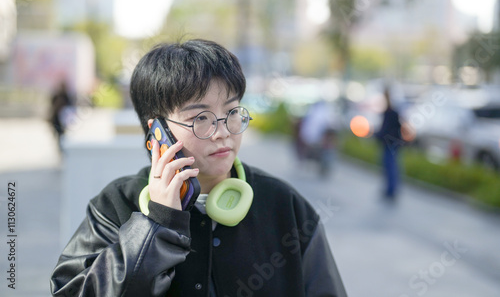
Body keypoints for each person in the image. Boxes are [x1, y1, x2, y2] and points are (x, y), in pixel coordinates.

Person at [50, 39, 347, 296]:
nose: (223, 131)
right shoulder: (117, 204)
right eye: (200, 118)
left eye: (232, 111)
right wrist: (157, 224)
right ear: (158, 131)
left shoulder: (284, 205)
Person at [375, 88, 403, 200]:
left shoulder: (390, 112)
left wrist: (378, 135)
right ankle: (390, 189)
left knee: (391, 166)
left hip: (390, 143)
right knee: (390, 167)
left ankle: (391, 190)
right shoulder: (391, 112)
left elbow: (387, 129)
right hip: (390, 143)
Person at [48, 80, 72, 152]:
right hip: (56, 119)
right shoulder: (56, 96)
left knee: (62, 135)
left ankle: (62, 148)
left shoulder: (66, 96)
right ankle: (60, 148)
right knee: (58, 134)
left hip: (63, 119)